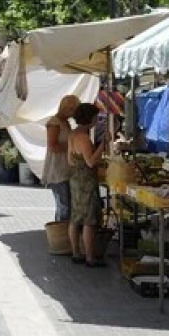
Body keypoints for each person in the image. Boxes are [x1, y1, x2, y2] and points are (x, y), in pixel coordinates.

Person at [67, 103, 105, 267]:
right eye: (96, 117)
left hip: (75, 178)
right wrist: (103, 144)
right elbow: (90, 162)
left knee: (76, 217)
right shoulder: (83, 138)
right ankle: (90, 257)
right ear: (90, 118)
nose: (97, 120)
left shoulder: (73, 134)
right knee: (89, 219)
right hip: (85, 181)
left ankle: (76, 252)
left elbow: (70, 159)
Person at [45, 94, 80, 234]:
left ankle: (65, 235)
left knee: (67, 204)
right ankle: (60, 235)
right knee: (64, 205)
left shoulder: (65, 122)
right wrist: (72, 146)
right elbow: (52, 146)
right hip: (57, 170)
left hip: (66, 169)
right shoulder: (55, 122)